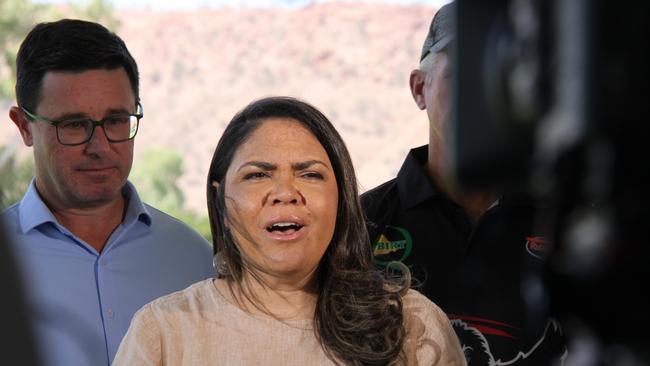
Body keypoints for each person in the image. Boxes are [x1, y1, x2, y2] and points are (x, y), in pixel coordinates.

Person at [113, 96, 467, 365]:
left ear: (341, 197)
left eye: (310, 174)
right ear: (220, 198)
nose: (285, 193)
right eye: (257, 174)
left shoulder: (411, 323)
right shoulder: (162, 333)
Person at [360, 3, 567, 365]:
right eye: (461, 75)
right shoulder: (359, 224)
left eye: (501, 73)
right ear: (419, 89)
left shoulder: (565, 216)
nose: (481, 94)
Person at [1, 19, 214, 366]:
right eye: (74, 125)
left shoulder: (194, 260)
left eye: (116, 120)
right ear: (24, 127)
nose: (99, 146)